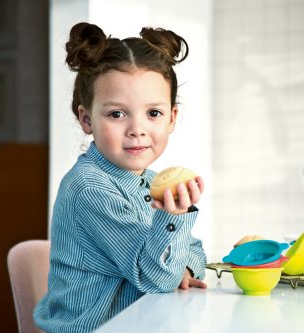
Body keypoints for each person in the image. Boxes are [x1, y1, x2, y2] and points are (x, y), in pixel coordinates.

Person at [34, 22, 207, 332]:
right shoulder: (90, 187)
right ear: (86, 119)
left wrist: (183, 267)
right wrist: (173, 220)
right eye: (117, 114)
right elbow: (157, 278)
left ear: (172, 118)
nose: (136, 129)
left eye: (153, 113)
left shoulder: (151, 181)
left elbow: (194, 250)